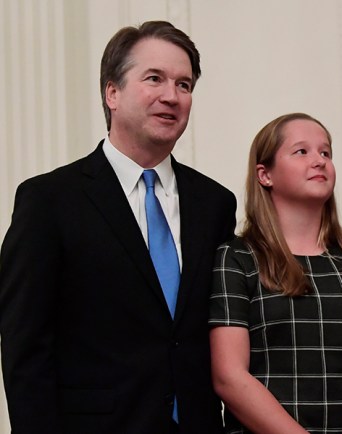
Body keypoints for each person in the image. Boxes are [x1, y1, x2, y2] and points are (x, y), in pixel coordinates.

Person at [0, 21, 236, 433]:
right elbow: (25, 346)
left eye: (184, 85)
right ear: (112, 92)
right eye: (154, 79)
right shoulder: (50, 200)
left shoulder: (215, 203)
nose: (172, 96)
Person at [209, 113, 342, 434]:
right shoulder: (238, 258)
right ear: (264, 174)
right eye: (302, 152)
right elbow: (229, 376)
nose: (319, 161)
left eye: (325, 153)